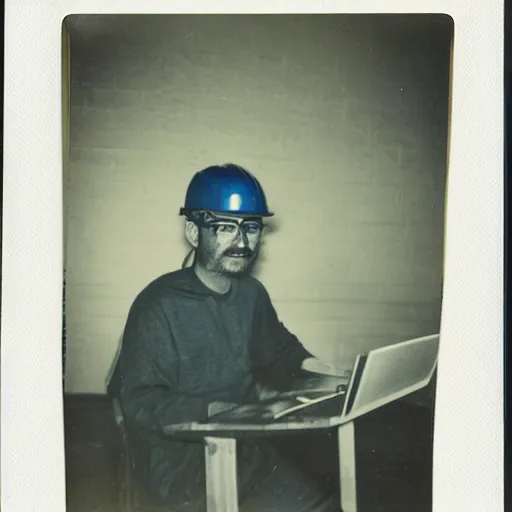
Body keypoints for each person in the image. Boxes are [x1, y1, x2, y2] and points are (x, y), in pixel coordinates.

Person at [107, 163, 346, 511]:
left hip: (248, 449)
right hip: (182, 463)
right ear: (193, 231)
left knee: (326, 505)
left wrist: (335, 373)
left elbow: (281, 351)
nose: (242, 242)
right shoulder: (158, 304)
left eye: (251, 228)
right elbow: (141, 400)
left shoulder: (252, 294)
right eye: (224, 228)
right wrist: (232, 411)